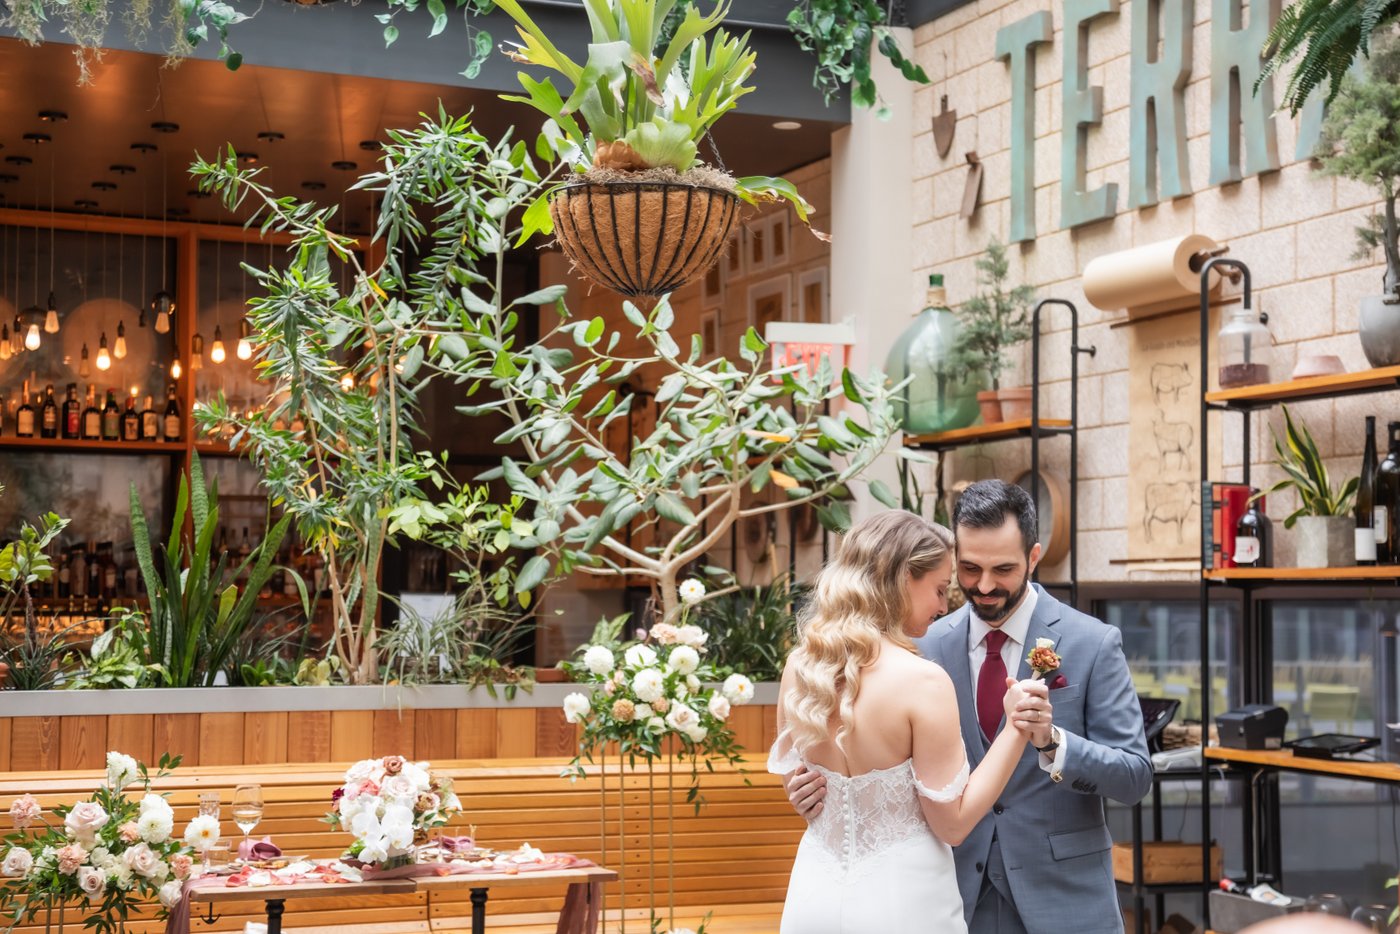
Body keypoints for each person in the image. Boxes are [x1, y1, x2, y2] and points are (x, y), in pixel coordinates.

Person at [786, 480, 1153, 934]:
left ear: (1033, 558)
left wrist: (1053, 743)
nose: (983, 586)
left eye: (1003, 569)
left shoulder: (1093, 643)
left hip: (1062, 902)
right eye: (969, 569)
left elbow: (1134, 776)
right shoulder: (922, 641)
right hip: (951, 895)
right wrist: (825, 795)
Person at [768, 509, 1039, 932]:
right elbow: (953, 824)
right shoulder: (923, 680)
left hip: (814, 893)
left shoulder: (802, 666)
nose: (943, 604)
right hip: (905, 901)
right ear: (902, 580)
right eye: (938, 588)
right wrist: (1016, 728)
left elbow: (800, 786)